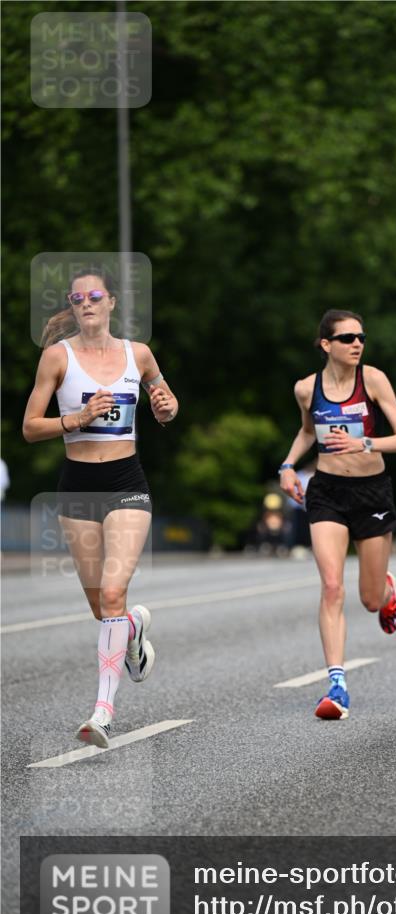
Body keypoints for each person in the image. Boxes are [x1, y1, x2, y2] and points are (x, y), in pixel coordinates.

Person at [22, 268, 178, 748]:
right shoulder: (57, 357)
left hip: (126, 483)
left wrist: (167, 406)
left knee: (112, 592)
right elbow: (30, 427)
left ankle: (102, 713)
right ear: (72, 307)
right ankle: (132, 628)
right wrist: (77, 418)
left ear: (112, 302)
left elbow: (164, 398)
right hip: (77, 488)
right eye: (77, 298)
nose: (86, 303)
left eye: (94, 296)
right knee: (101, 607)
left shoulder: (139, 354)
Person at [279, 309, 396, 719]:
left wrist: (366, 445)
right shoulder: (307, 389)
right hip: (327, 494)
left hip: (371, 493)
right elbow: (308, 430)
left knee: (370, 600)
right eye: (347, 338)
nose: (357, 343)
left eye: (361, 337)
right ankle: (336, 684)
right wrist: (287, 466)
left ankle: (387, 591)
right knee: (332, 586)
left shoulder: (371, 380)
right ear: (326, 345)